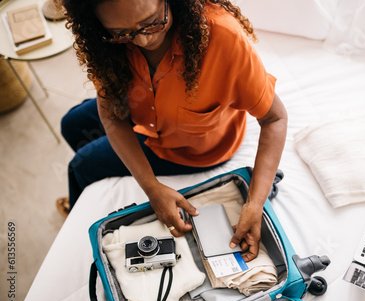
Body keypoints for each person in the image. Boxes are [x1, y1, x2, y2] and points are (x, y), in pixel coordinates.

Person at [58, 0, 287, 261]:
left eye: (152, 22)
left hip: (191, 148)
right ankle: (96, 187)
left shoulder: (224, 38)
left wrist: (255, 204)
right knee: (71, 124)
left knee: (79, 168)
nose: (143, 41)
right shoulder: (105, 42)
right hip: (138, 109)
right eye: (123, 33)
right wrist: (152, 188)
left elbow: (275, 118)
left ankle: (76, 208)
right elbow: (112, 114)